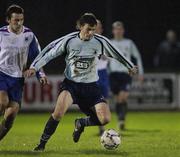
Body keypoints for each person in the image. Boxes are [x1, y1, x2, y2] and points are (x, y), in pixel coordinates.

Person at [24, 13, 137, 151]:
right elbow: (49, 53)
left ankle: (81, 123)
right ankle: (41, 145)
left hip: (91, 87)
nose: (91, 33)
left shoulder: (100, 41)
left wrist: (129, 65)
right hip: (71, 85)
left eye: (94, 29)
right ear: (80, 27)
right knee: (58, 113)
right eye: (88, 29)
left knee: (105, 119)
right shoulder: (68, 40)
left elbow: (115, 52)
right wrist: (34, 67)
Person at [0, 5, 48, 141]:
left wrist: (41, 74)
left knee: (10, 118)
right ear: (8, 20)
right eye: (16, 20)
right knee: (2, 102)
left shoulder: (29, 35)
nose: (19, 23)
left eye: (21, 20)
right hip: (1, 74)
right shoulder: (1, 34)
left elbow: (37, 57)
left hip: (18, 79)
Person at [109, 21, 144, 130]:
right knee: (117, 99)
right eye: (116, 29)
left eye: (120, 29)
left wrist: (141, 72)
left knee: (123, 97)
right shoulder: (109, 43)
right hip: (113, 75)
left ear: (123, 30)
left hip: (126, 74)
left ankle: (121, 120)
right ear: (113, 31)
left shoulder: (129, 43)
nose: (118, 31)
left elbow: (137, 56)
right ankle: (121, 119)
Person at [95, 19, 109, 135]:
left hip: (103, 73)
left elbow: (110, 56)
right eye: (95, 26)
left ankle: (101, 125)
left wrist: (105, 56)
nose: (96, 29)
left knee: (104, 100)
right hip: (92, 74)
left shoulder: (105, 41)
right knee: (95, 101)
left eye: (98, 27)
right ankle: (100, 126)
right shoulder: (87, 40)